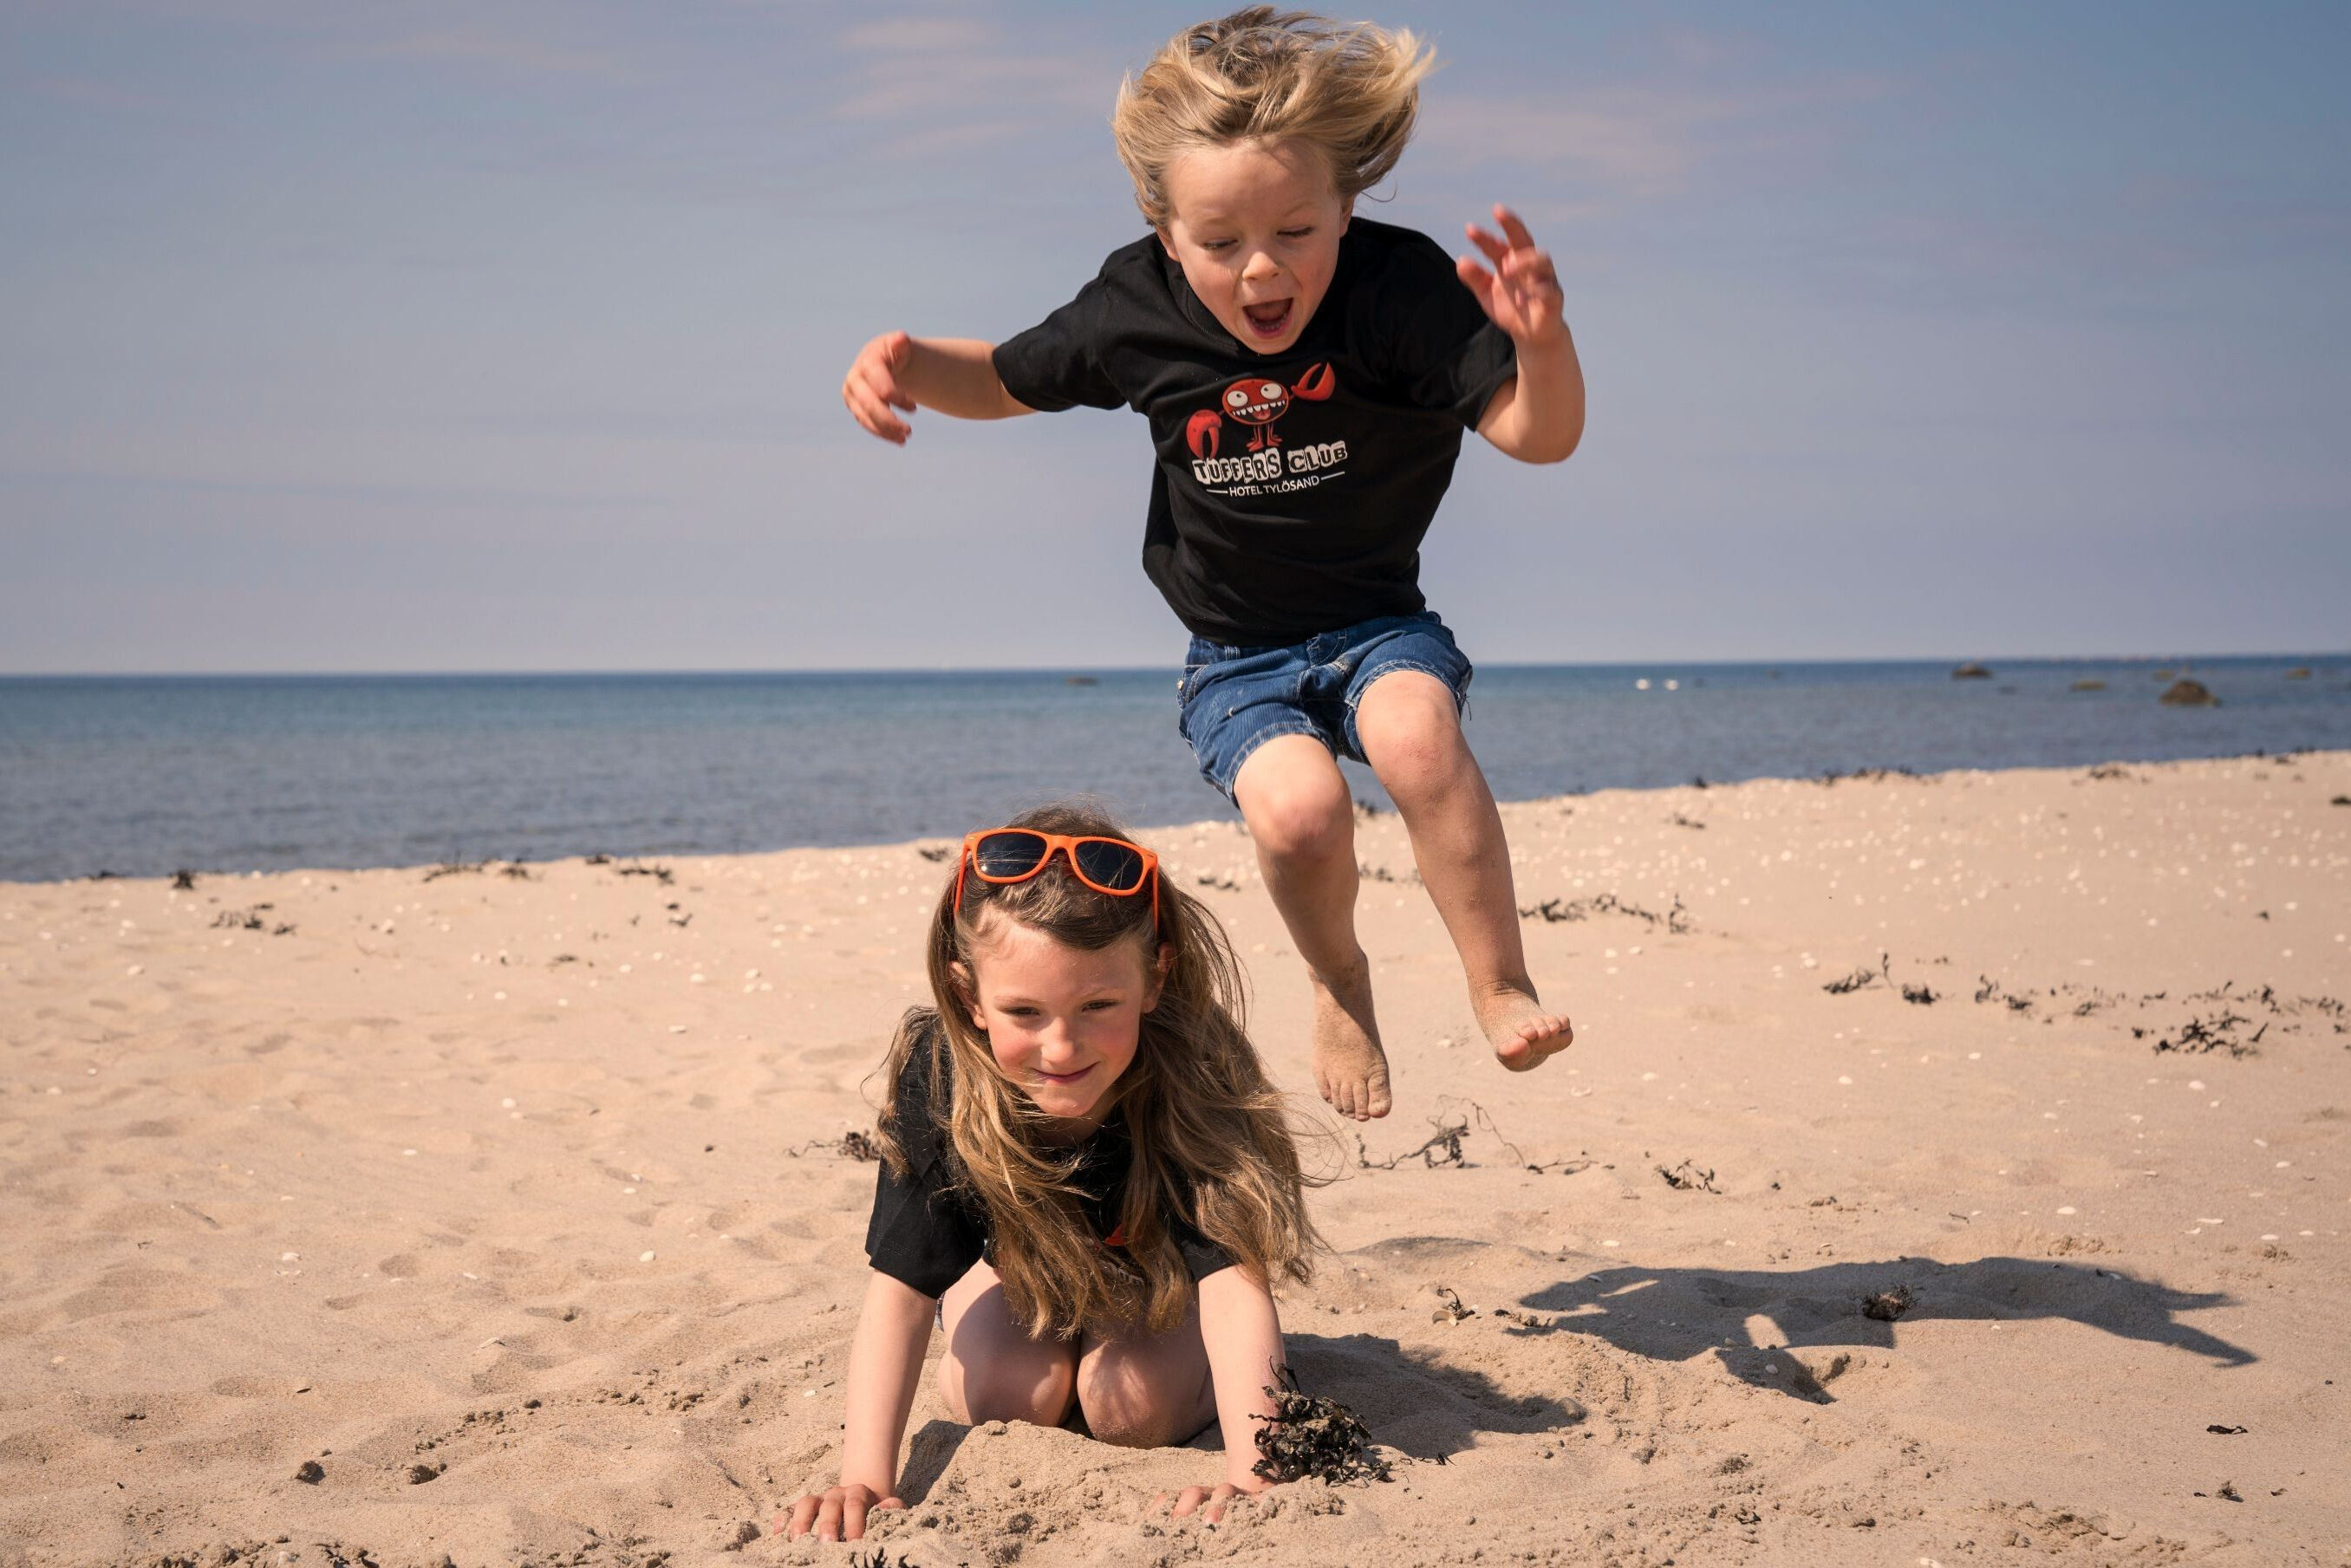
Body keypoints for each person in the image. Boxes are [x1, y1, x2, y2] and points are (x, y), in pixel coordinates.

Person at [840, 9, 1586, 1122]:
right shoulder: (1135, 305)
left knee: (1418, 742)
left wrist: (1542, 343)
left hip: (1382, 619)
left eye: (1296, 229)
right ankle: (1341, 983)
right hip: (1237, 656)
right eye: (1221, 241)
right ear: (1164, 224)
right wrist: (905, 363)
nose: (1262, 268)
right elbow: (1001, 377)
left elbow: (1541, 434)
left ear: (1347, 202)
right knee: (1298, 817)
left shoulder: (1399, 291)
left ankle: (1499, 979)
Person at [783, 803, 1323, 1543]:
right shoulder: (941, 1075)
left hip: (1158, 1279)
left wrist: (1257, 1471)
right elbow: (902, 1290)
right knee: (1012, 1392)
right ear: (971, 995)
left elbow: (1233, 1280)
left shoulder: (1192, 1070)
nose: (1062, 1046)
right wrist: (866, 1480)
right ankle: (991, 1309)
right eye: (1025, 1011)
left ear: (1155, 978)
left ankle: (1153, 1357)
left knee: (1130, 1408)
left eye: (1099, 1004)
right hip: (1015, 1269)